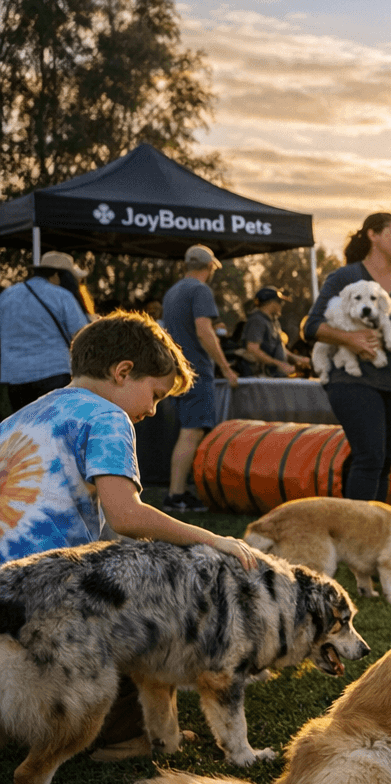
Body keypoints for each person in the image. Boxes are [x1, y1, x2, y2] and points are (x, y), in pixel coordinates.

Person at [0, 311, 262, 751]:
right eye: (156, 394)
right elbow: (126, 515)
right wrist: (211, 538)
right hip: (46, 596)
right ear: (122, 372)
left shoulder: (17, 418)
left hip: (8, 593)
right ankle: (125, 737)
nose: (152, 411)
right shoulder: (107, 417)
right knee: (148, 626)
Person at [303, 213, 391, 502]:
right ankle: (357, 536)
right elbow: (311, 326)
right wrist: (349, 338)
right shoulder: (345, 278)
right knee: (370, 458)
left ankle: (372, 534)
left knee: (383, 465)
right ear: (372, 235)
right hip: (353, 382)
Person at [160, 245, 243, 512]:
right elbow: (204, 330)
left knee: (187, 431)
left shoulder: (173, 292)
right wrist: (226, 368)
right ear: (209, 268)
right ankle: (177, 495)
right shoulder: (200, 290)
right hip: (197, 371)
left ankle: (178, 492)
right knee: (192, 433)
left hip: (177, 371)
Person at [0, 251, 94, 414]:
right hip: (54, 372)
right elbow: (81, 336)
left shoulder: (8, 295)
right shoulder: (62, 296)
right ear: (57, 275)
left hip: (15, 376)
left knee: (25, 431)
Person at [242, 286, 298, 377]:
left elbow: (280, 349)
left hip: (276, 377)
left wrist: (299, 359)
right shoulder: (257, 320)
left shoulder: (274, 322)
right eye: (280, 302)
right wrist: (279, 364)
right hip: (261, 377)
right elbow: (252, 349)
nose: (281, 305)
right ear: (272, 303)